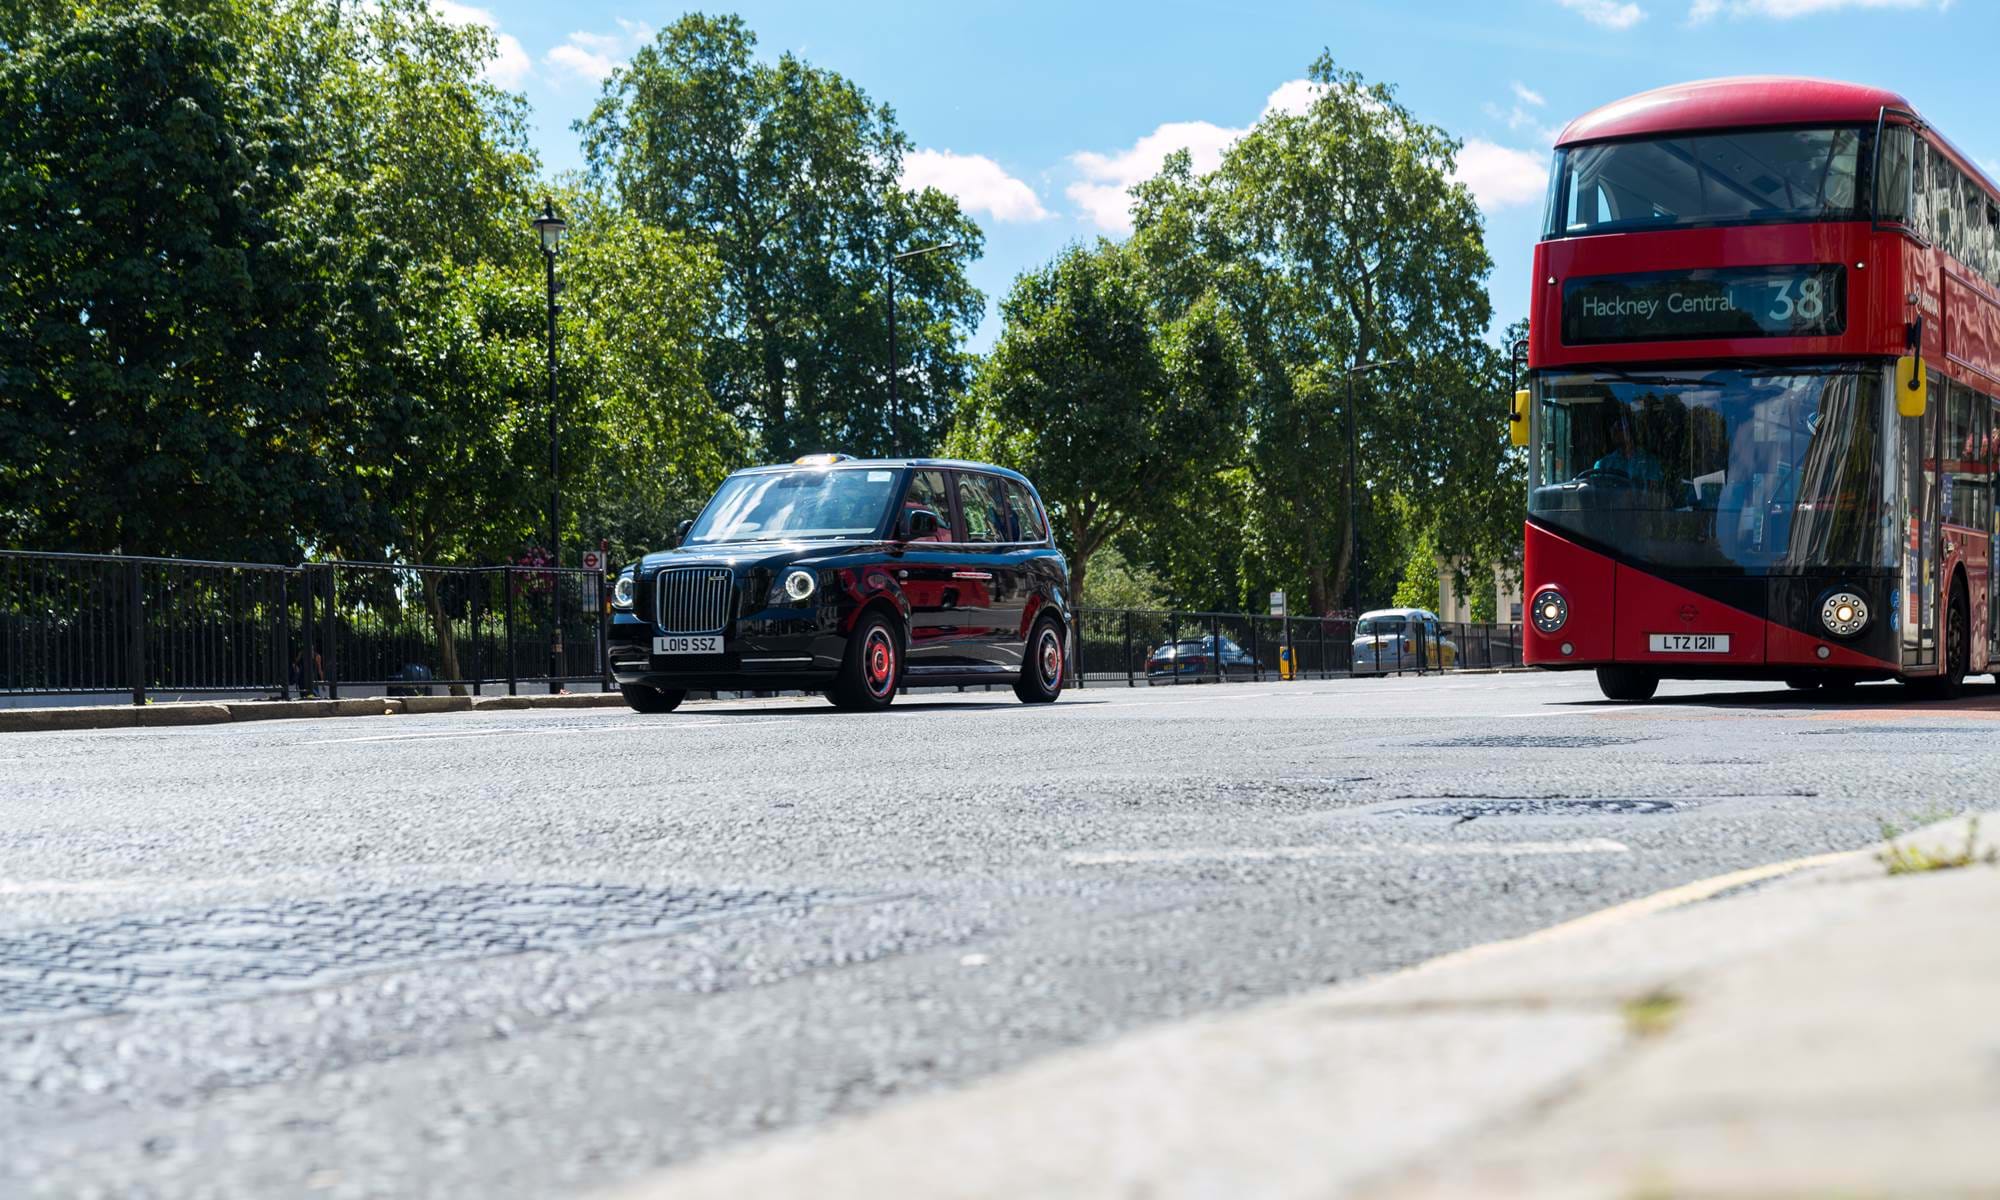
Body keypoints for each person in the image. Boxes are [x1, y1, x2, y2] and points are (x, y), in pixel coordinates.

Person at [1590, 413, 1665, 485]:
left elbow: (1655, 492)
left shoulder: (1649, 461)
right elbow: (1596, 491)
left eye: (1620, 427)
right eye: (1612, 428)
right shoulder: (1603, 464)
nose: (1614, 431)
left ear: (1631, 432)